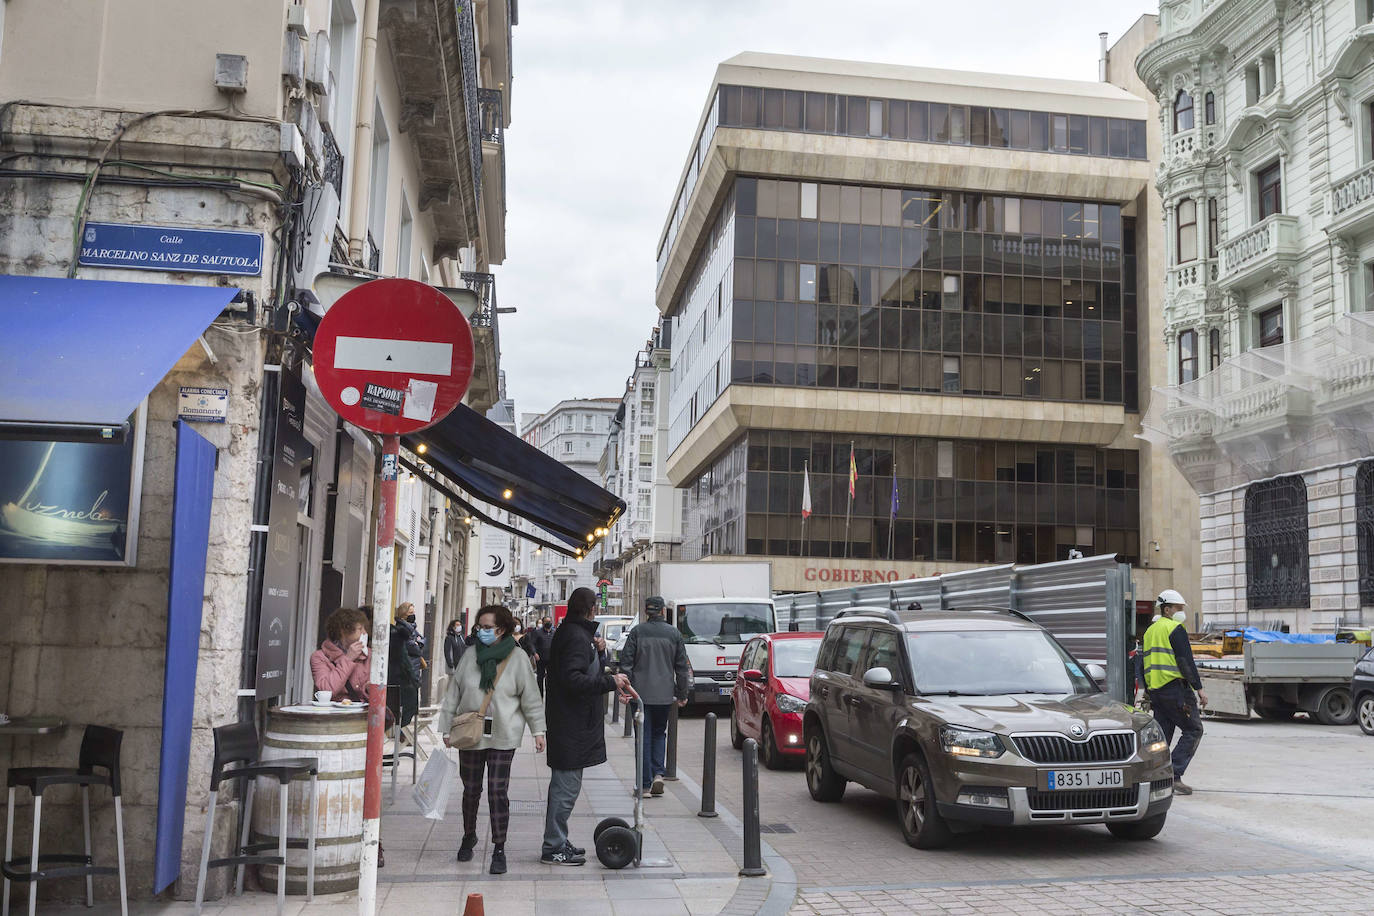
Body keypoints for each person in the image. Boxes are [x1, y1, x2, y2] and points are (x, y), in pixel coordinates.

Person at [436, 604, 546, 876]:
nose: (481, 632)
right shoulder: (470, 655)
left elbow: (531, 697)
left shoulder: (518, 658)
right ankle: (469, 835)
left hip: (503, 733)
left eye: (487, 628)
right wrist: (446, 728)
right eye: (479, 627)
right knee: (471, 790)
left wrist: (538, 731)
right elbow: (453, 693)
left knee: (498, 792)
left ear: (502, 629)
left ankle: (499, 847)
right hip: (471, 732)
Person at [541, 587, 630, 866]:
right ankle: (553, 847)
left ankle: (558, 840)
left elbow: (584, 671)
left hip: (572, 723)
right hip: (571, 724)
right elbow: (573, 680)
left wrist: (601, 657)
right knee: (565, 789)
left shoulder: (577, 634)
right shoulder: (575, 636)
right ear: (591, 609)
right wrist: (610, 682)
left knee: (567, 786)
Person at [309, 608, 385, 867]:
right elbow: (327, 688)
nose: (363, 636)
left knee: (368, 787)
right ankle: (337, 838)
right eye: (357, 632)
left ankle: (374, 843)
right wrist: (349, 660)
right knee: (337, 786)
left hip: (363, 728)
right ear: (341, 634)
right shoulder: (319, 657)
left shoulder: (372, 658)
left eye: (365, 631)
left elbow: (376, 690)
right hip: (332, 731)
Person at [617, 596, 690, 798]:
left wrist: (624, 690)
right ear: (663, 612)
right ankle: (658, 773)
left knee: (643, 737)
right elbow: (682, 668)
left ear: (647, 612)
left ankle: (645, 785)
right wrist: (682, 693)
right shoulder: (674, 634)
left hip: (639, 696)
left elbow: (626, 664)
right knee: (659, 733)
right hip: (664, 696)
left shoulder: (637, 632)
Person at [1142, 588, 1208, 795]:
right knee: (1194, 730)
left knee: (1162, 737)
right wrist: (1199, 689)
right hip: (1176, 691)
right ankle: (1174, 774)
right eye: (1178, 608)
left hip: (1157, 692)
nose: (1181, 612)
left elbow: (1142, 663)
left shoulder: (1149, 631)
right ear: (1167, 609)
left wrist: (1147, 691)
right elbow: (1185, 661)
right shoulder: (1174, 628)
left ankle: (1154, 777)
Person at [310, 607, 371, 702]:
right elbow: (326, 690)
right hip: (335, 714)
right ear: (344, 631)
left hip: (362, 714)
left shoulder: (369, 655)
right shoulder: (319, 657)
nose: (365, 633)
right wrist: (348, 659)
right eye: (360, 629)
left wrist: (368, 689)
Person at [387, 605, 423, 729]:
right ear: (404, 614)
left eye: (414, 611)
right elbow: (415, 648)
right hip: (408, 671)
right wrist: (417, 644)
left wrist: (418, 643)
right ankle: (400, 731)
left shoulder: (412, 629)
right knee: (406, 705)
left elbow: (422, 642)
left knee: (411, 705)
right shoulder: (401, 630)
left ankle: (402, 730)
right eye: (410, 612)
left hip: (414, 669)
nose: (413, 615)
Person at [529, 616, 554, 696]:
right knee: (540, 677)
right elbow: (532, 643)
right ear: (543, 623)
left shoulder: (554, 632)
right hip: (540, 658)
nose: (548, 623)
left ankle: (549, 694)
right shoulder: (537, 632)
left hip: (551, 659)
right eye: (546, 621)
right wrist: (534, 653)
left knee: (550, 678)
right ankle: (539, 695)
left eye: (549, 621)